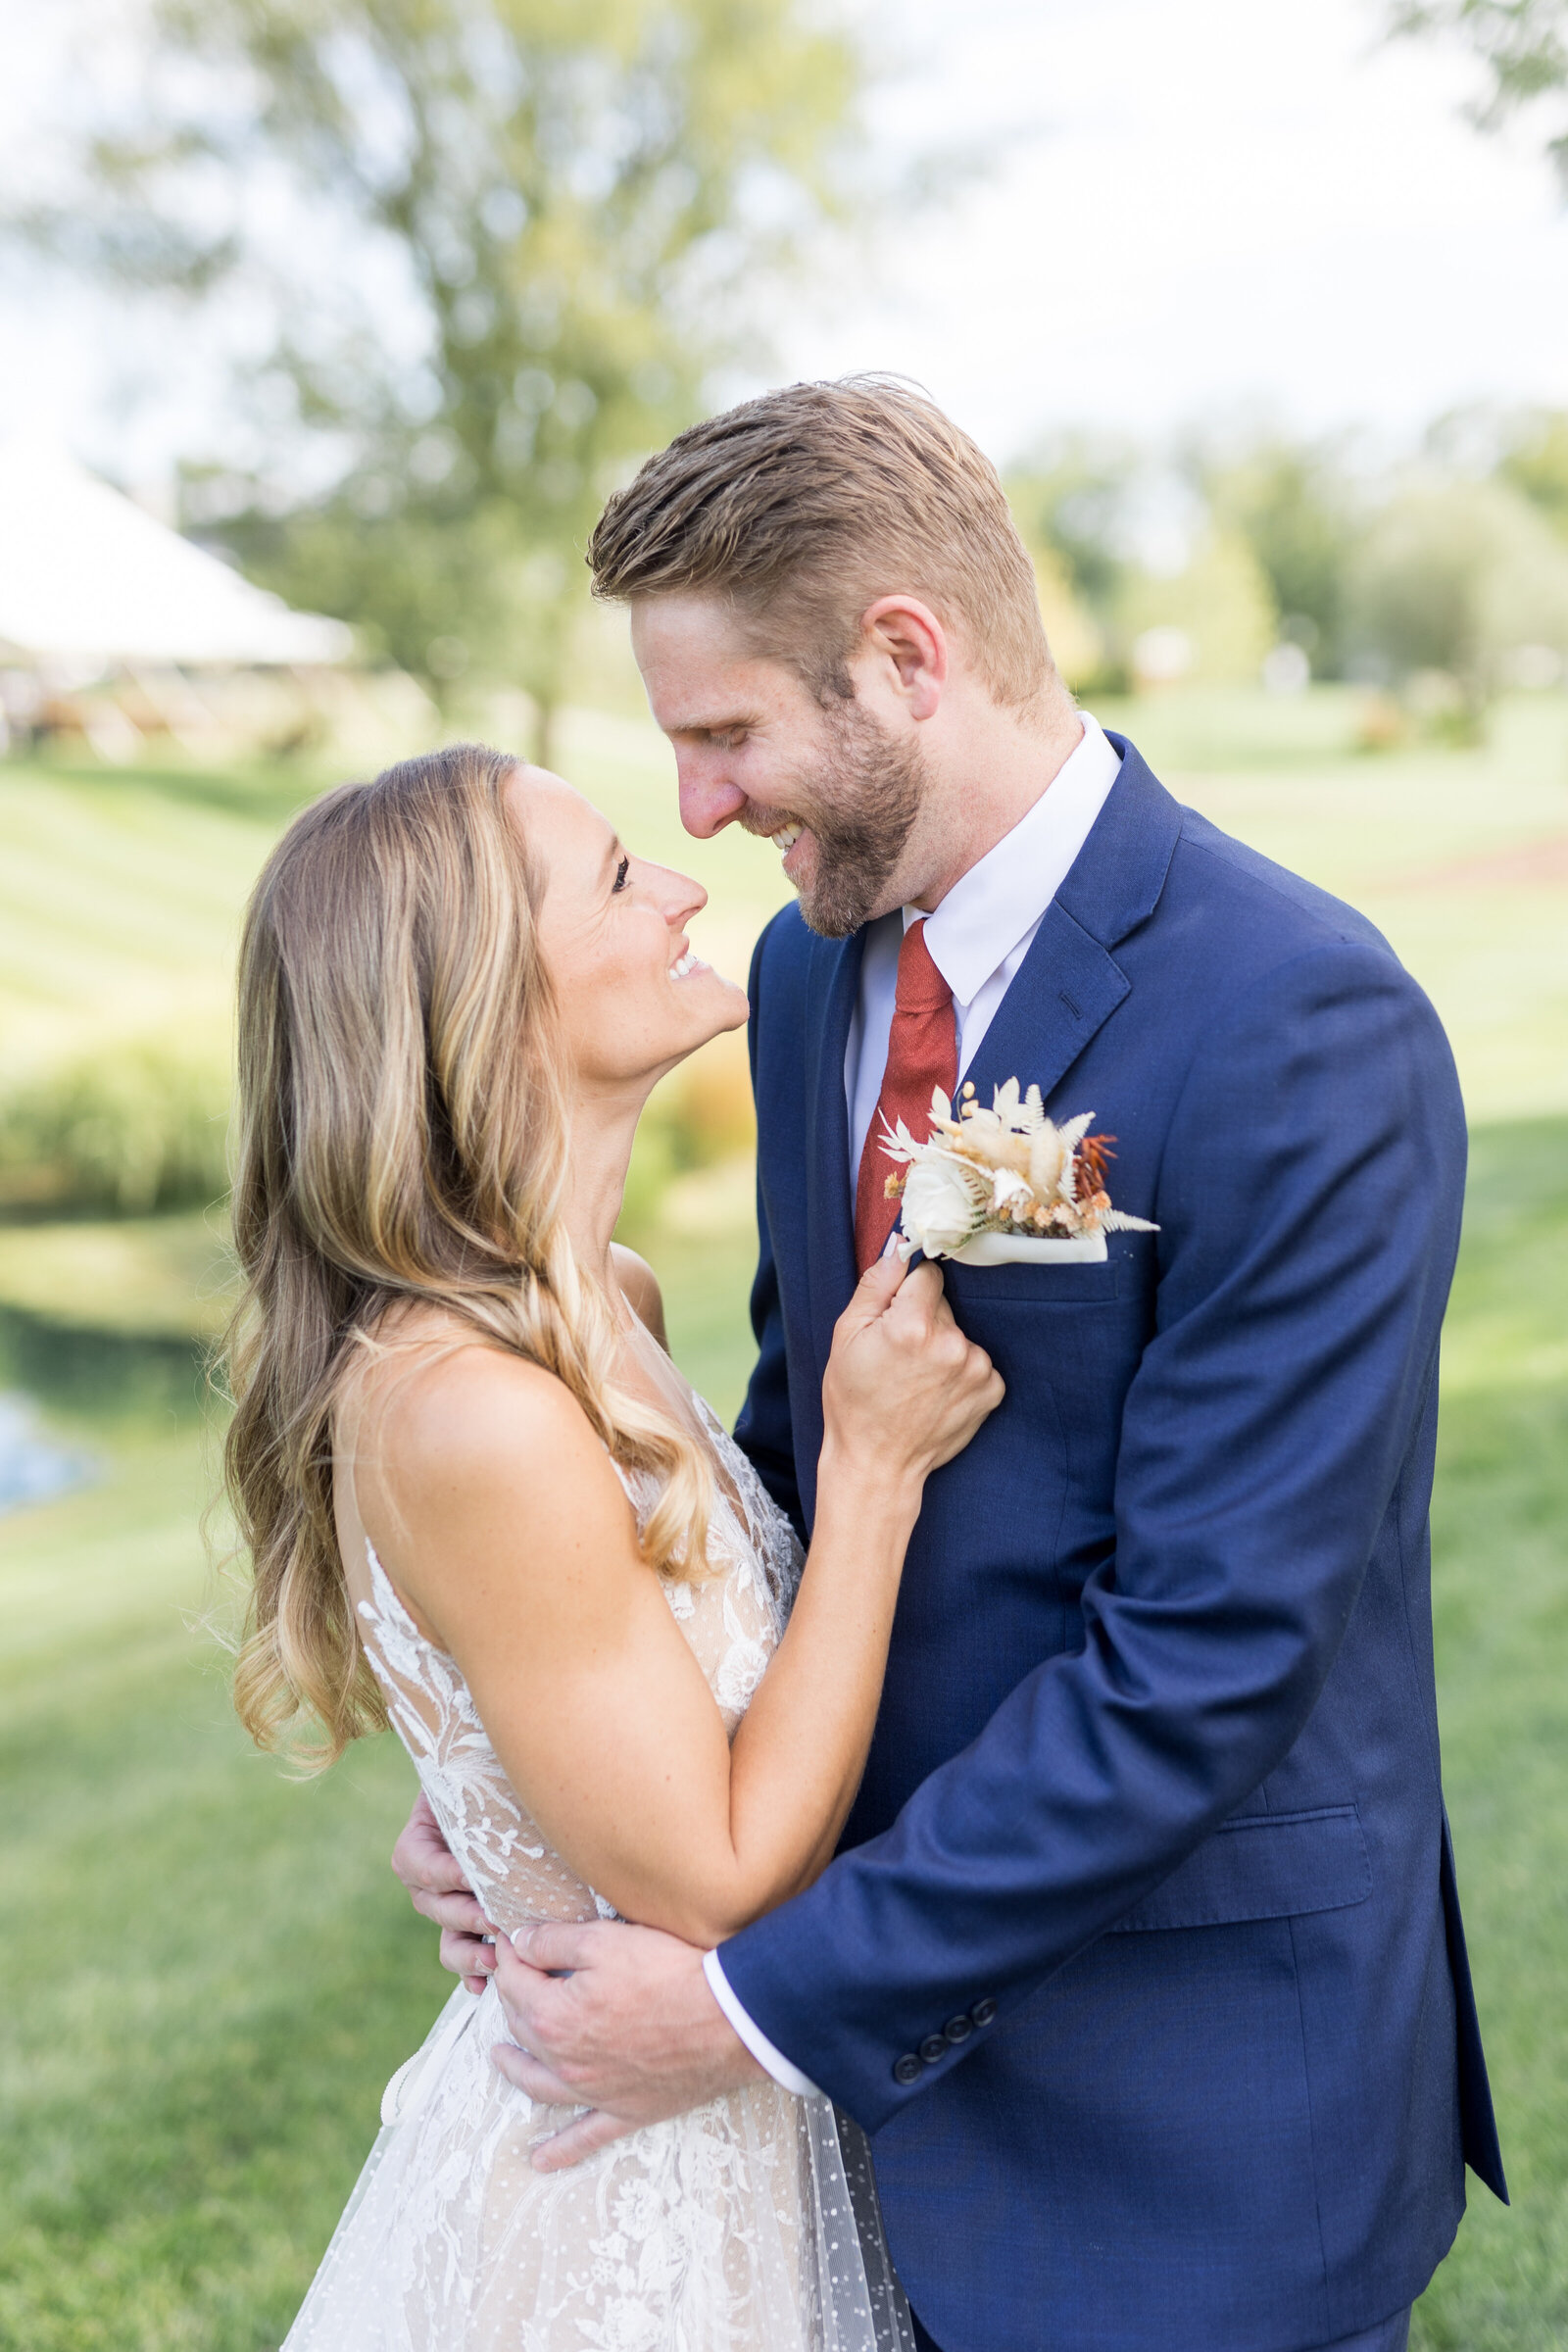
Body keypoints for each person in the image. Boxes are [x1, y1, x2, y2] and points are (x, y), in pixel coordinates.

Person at [395, 379, 1507, 2352]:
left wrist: (749, 2001)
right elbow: (774, 1467)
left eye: (723, 733)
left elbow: (1210, 1659)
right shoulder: (819, 965)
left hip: (1188, 2120)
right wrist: (554, 1798)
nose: (701, 812)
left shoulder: (1291, 1026)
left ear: (902, 658)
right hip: (846, 2133)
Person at [221, 739, 1003, 2349]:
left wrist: (496, 1821)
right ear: (485, 1001)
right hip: (615, 2212)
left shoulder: (616, 1306)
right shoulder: (465, 1406)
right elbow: (713, 1877)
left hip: (747, 2123)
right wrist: (868, 1475)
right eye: (617, 876)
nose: (686, 882)